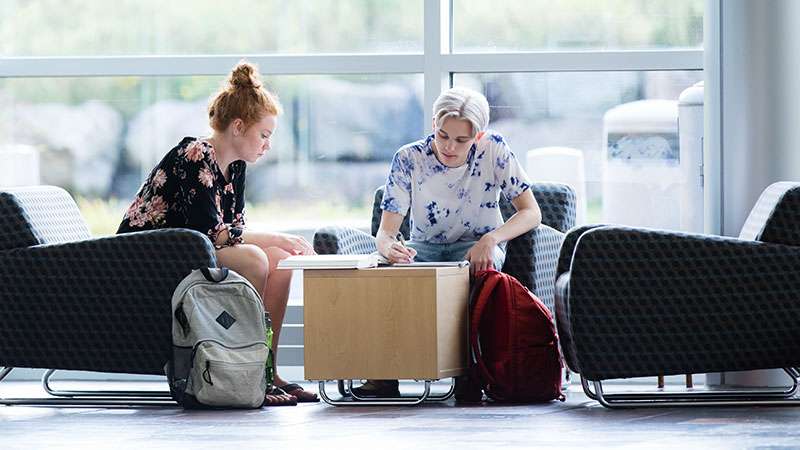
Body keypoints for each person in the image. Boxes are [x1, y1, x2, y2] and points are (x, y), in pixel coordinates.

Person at [117, 61, 319, 405]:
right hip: (153, 256)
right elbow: (213, 233)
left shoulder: (235, 165)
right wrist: (273, 236)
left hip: (194, 250)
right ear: (239, 127)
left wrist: (277, 242)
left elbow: (230, 229)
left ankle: (266, 370)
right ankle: (241, 373)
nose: (268, 144)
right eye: (265, 135)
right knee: (257, 257)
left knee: (281, 261)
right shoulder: (195, 154)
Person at [352, 86, 542, 398]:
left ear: (477, 137)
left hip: (477, 246)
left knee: (483, 264)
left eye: (461, 140)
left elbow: (531, 212)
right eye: (443, 136)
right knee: (383, 272)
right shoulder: (408, 158)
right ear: (433, 126)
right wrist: (389, 248)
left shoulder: (494, 149)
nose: (449, 147)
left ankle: (472, 373)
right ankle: (382, 376)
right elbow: (386, 233)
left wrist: (491, 238)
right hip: (424, 247)